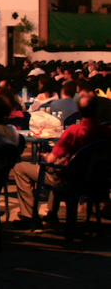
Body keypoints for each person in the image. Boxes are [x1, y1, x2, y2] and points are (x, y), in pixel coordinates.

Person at [12, 94, 111, 229]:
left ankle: (29, 216)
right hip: (97, 180)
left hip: (70, 180)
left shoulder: (73, 131)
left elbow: (51, 159)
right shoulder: (107, 132)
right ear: (98, 111)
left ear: (79, 112)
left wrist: (46, 156)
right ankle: (51, 214)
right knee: (60, 165)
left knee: (21, 168)